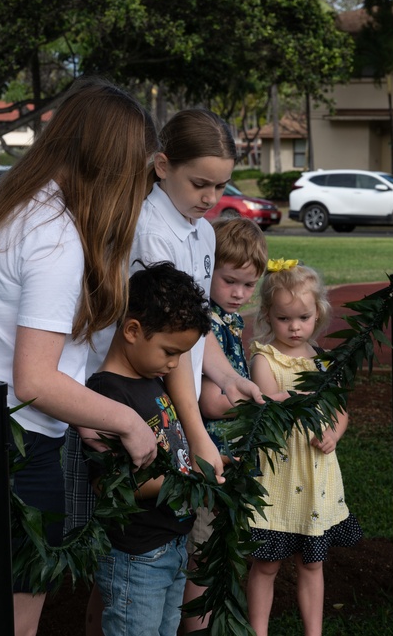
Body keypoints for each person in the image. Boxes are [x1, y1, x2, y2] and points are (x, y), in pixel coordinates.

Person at [0, 78, 161, 636]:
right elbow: (33, 380)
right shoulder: (57, 239)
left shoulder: (12, 206)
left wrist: (80, 418)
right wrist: (127, 421)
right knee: (14, 625)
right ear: (112, 163)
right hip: (15, 446)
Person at [66, 108, 265, 633]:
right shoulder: (148, 231)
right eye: (199, 183)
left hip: (173, 393)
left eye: (220, 186)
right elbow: (167, 340)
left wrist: (224, 375)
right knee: (126, 557)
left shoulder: (201, 233)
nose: (210, 198)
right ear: (161, 165)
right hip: (143, 394)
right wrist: (197, 436)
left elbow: (194, 331)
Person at [81, 262, 213, 636]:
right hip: (137, 557)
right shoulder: (107, 394)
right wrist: (190, 480)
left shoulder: (150, 379)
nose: (174, 364)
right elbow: (111, 485)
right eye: (170, 352)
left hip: (171, 545)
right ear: (133, 330)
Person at [245, 259, 363, 636]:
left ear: (318, 314)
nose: (294, 327)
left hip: (314, 475)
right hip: (278, 477)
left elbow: (340, 409)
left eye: (303, 317)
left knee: (312, 564)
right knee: (266, 564)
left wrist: (335, 433)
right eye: (283, 319)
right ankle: (258, 631)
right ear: (268, 316)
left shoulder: (325, 362)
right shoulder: (265, 358)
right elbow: (268, 400)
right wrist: (301, 398)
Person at [183, 216, 268, 633]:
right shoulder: (205, 322)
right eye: (230, 280)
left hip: (227, 457)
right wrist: (259, 402)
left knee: (218, 548)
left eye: (249, 286)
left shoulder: (230, 321)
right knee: (202, 553)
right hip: (210, 458)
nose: (238, 293)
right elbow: (211, 403)